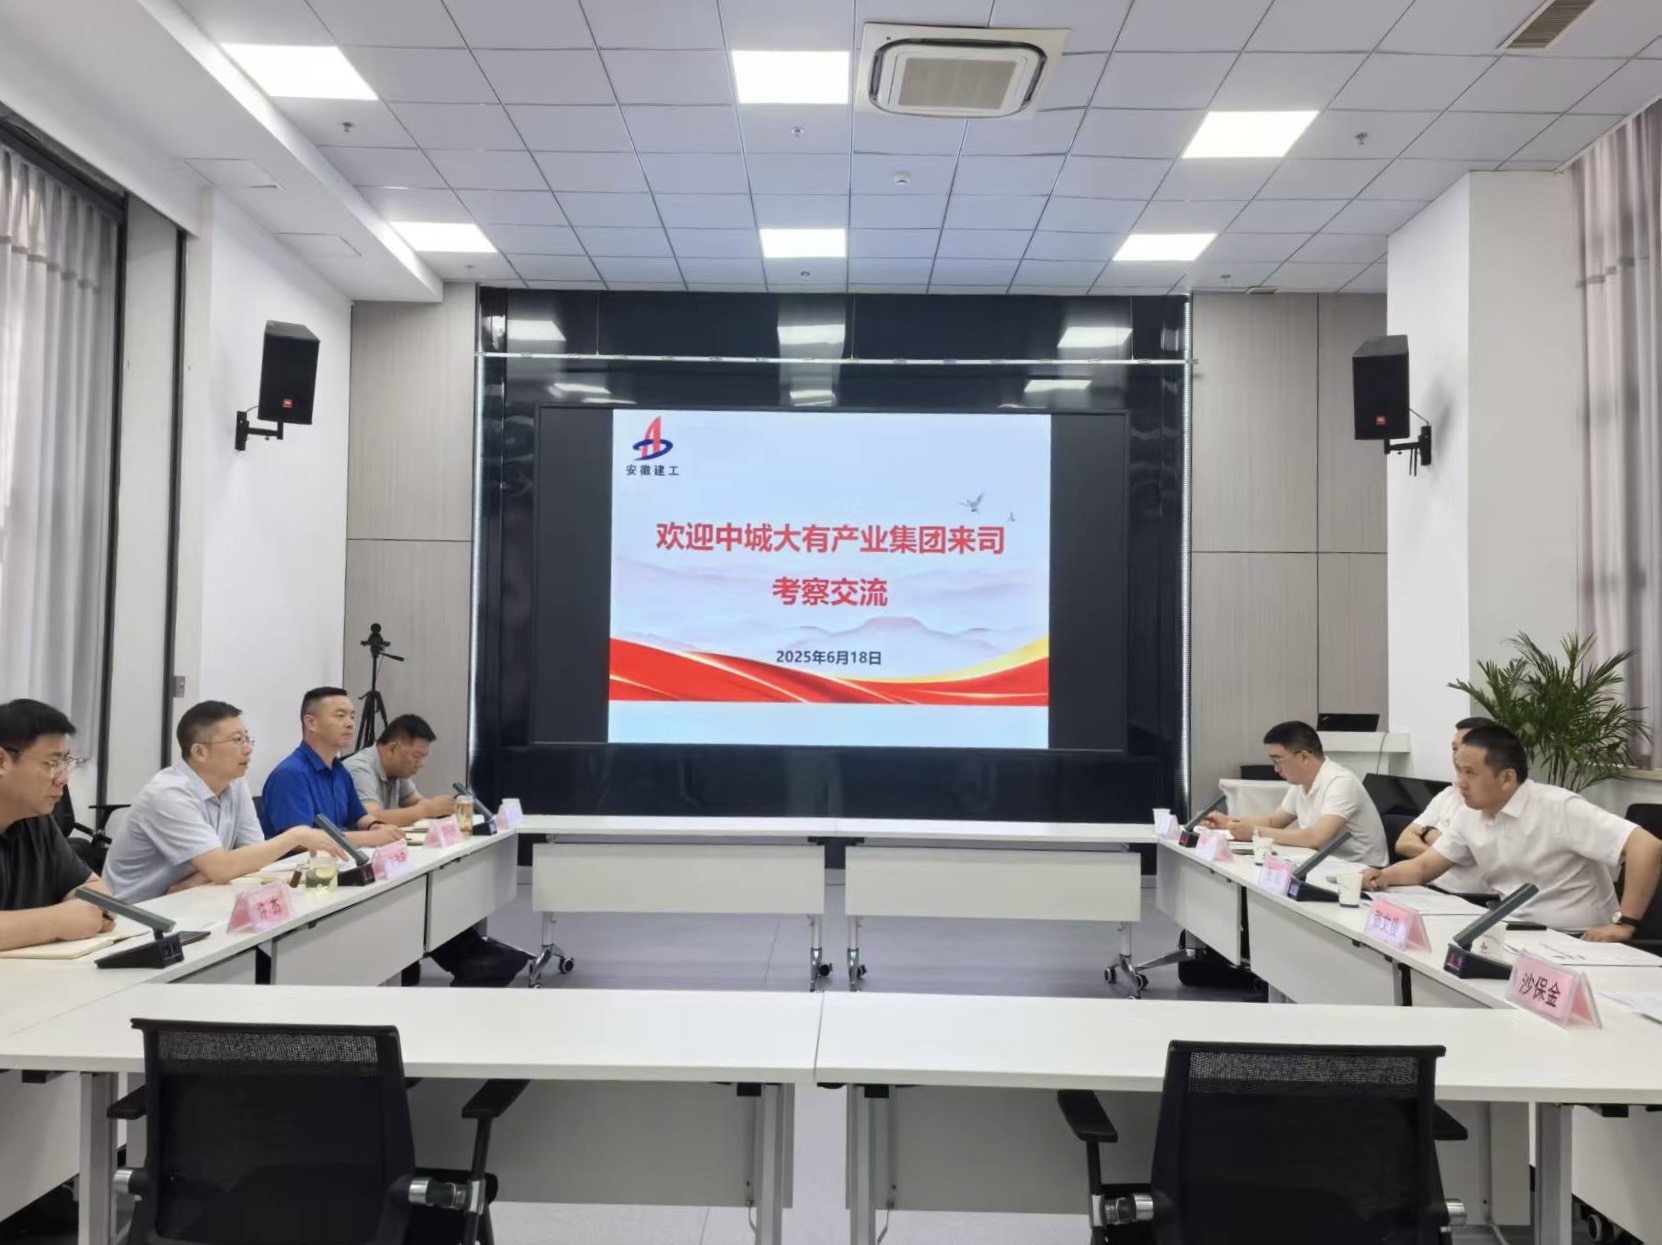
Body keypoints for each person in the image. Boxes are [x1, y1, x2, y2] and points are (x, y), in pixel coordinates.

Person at [1362, 724, 1662, 941]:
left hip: (1578, 939)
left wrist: (1625, 923)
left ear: (1506, 778)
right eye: (1458, 770)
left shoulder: (1558, 807)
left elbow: (1647, 846)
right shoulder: (1470, 814)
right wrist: (1383, 876)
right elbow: (1424, 867)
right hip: (1513, 932)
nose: (1459, 783)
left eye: (1470, 773)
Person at [103, 701, 349, 902]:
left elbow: (252, 855)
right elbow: (223, 868)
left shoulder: (235, 783)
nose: (248, 748)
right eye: (237, 740)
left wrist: (199, 878)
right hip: (136, 917)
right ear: (199, 752)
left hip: (192, 898)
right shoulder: (167, 794)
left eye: (247, 738)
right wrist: (296, 836)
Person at [0, 699, 114, 951]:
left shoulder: (37, 820)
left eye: (65, 763)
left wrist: (89, 910)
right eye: (51, 764)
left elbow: (94, 889)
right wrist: (56, 922)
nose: (63, 778)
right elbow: (62, 919)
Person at [1205, 720, 1388, 867]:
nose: (1276, 769)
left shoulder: (1340, 782)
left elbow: (1317, 838)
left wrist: (1255, 832)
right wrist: (1228, 822)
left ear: (1304, 757)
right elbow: (1273, 821)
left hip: (1362, 872)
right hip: (1325, 863)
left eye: (1278, 761)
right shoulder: (1301, 784)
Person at [261, 687, 401, 847]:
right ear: (311, 723)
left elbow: (358, 816)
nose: (350, 724)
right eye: (340, 716)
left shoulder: (339, 770)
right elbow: (299, 841)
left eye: (352, 717)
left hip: (340, 858)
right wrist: (369, 838)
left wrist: (375, 826)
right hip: (305, 862)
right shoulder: (290, 775)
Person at [1392, 716, 1496, 895]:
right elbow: (1402, 843)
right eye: (1454, 749)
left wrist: (1427, 834)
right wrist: (1441, 859)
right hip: (1428, 889)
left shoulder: (1494, 802)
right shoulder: (1449, 794)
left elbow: (1471, 856)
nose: (1457, 756)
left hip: (1471, 899)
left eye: (1465, 748)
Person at [344, 715, 455, 829]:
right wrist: (425, 810)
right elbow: (370, 818)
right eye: (416, 756)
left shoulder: (397, 771)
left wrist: (439, 808)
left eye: (423, 757)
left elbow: (416, 802)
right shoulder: (359, 768)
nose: (421, 763)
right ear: (392, 749)